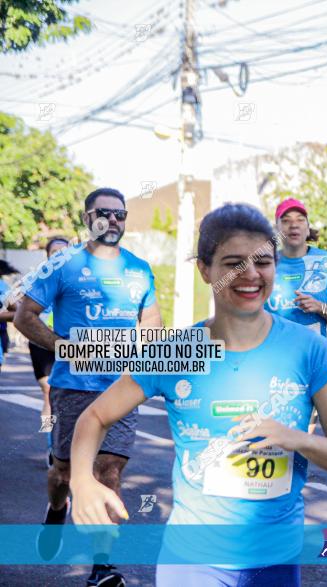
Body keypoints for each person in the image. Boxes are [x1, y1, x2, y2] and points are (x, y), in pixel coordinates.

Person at [69, 203, 327, 586]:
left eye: (263, 261)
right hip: (194, 559)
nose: (251, 275)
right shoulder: (178, 349)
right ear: (205, 270)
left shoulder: (308, 350)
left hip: (275, 558)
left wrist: (295, 438)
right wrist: (80, 480)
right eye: (233, 263)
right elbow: (94, 417)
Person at [14, 188, 162, 586]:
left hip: (122, 387)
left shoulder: (139, 269)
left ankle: (102, 566)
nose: (113, 221)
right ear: (87, 218)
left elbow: (151, 325)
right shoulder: (61, 265)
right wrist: (61, 345)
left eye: (120, 214)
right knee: (64, 473)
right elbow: (24, 318)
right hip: (73, 387)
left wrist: (148, 366)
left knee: (109, 471)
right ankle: (56, 509)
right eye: (105, 213)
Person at [266, 198, 327, 336]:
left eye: (300, 219)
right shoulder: (265, 265)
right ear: (277, 229)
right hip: (276, 354)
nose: (294, 225)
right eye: (286, 220)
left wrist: (320, 307)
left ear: (307, 229)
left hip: (314, 355)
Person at [30, 238, 71, 467]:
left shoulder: (79, 278)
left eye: (63, 252)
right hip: (43, 342)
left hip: (70, 343)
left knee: (67, 394)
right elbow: (19, 310)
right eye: (54, 252)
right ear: (47, 256)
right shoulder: (39, 279)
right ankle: (50, 444)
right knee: (48, 392)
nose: (58, 255)